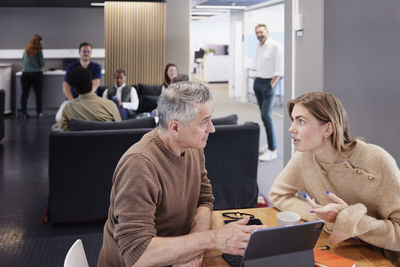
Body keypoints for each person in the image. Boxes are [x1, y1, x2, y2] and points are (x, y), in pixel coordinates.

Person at [98, 81, 265, 267]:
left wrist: (194, 246)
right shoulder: (139, 166)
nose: (212, 129)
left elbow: (204, 199)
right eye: (204, 122)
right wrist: (210, 239)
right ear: (176, 128)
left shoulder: (193, 147)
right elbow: (138, 255)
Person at [268, 92, 400, 265]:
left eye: (301, 121)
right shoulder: (304, 157)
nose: (291, 128)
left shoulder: (376, 161)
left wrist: (349, 221)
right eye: (293, 120)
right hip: (341, 249)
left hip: (381, 259)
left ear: (328, 129)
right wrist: (321, 217)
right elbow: (278, 194)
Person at [254, 24, 284, 162]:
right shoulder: (259, 46)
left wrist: (271, 85)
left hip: (268, 84)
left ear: (267, 31)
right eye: (257, 32)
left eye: (261, 31)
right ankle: (269, 145)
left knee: (266, 116)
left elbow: (279, 69)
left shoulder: (275, 45)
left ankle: (273, 150)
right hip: (258, 82)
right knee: (263, 116)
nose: (259, 34)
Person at [58, 67, 121, 131]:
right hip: (108, 140)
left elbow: (63, 134)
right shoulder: (110, 105)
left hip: (79, 141)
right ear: (91, 83)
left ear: (75, 90)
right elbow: (120, 130)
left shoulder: (68, 108)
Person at [55, 42, 102, 122]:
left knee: (94, 119)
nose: (86, 53)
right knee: (59, 118)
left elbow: (95, 84)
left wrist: (84, 99)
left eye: (88, 51)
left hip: (90, 99)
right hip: (72, 99)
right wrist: (73, 101)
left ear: (91, 53)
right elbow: (65, 85)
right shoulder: (72, 66)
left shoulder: (96, 67)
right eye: (84, 51)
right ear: (79, 52)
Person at [21, 34, 45, 118]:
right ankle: (39, 112)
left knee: (24, 94)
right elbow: (41, 63)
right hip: (36, 75)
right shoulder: (39, 52)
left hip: (25, 74)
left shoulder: (26, 50)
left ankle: (23, 113)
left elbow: (22, 60)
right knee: (38, 94)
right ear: (38, 42)